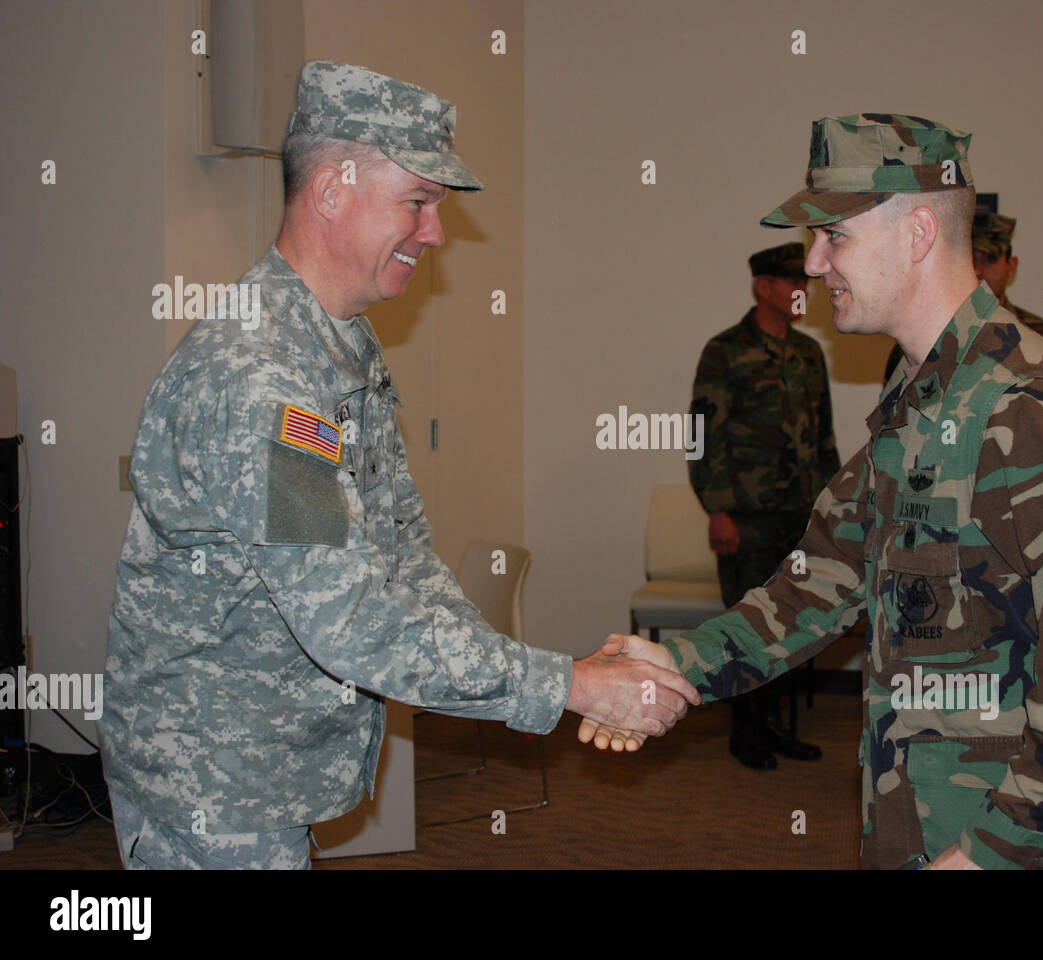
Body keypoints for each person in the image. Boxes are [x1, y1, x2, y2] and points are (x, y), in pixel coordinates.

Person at [100, 61, 699, 870]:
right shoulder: (264, 380)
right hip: (214, 784)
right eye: (416, 203)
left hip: (267, 770)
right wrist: (572, 687)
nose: (435, 234)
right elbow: (349, 619)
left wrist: (565, 680)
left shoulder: (338, 344)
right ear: (332, 192)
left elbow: (402, 559)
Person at [580, 113, 1043, 870]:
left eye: (835, 236)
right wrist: (680, 664)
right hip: (921, 821)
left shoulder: (1031, 404)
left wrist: (987, 855)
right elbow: (821, 579)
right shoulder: (923, 395)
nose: (816, 264)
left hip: (1020, 849)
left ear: (918, 232)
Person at [688, 243, 841, 769]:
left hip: (799, 517)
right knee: (747, 623)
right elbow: (702, 437)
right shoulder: (725, 351)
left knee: (792, 625)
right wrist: (718, 509)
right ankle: (746, 731)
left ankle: (774, 723)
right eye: (793, 283)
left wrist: (831, 509)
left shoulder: (808, 353)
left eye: (807, 284)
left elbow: (824, 439)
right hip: (747, 519)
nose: (803, 292)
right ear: (764, 288)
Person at [883, 210, 1043, 382]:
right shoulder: (920, 340)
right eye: (971, 258)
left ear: (1012, 266)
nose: (979, 270)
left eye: (990, 259)